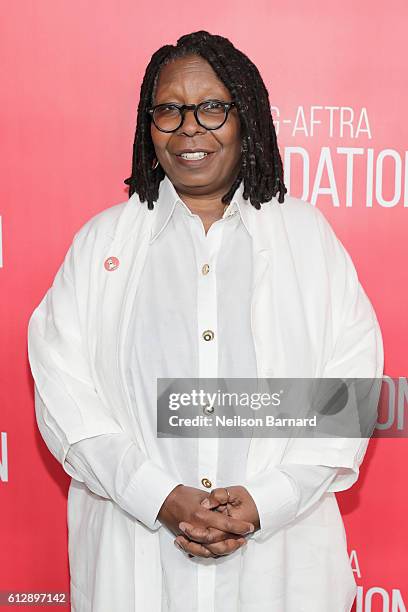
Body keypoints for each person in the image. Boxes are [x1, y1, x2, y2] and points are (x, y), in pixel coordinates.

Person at [27, 30, 383, 612]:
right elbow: (64, 393)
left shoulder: (307, 239)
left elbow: (349, 389)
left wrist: (266, 500)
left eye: (212, 107)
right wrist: (159, 496)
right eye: (168, 109)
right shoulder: (101, 244)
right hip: (136, 558)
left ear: (247, 117)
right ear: (149, 125)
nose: (189, 127)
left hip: (277, 565)